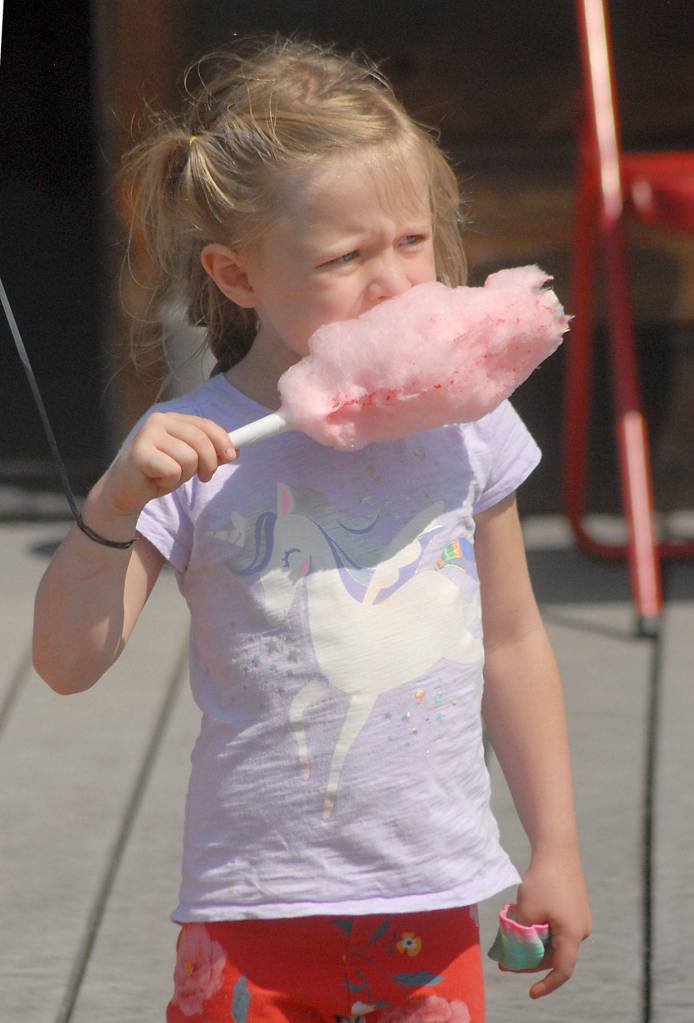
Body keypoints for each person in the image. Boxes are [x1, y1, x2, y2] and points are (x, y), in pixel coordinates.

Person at [33, 37, 591, 1023]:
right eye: (344, 256)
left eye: (411, 242)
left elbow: (509, 637)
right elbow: (68, 664)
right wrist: (112, 507)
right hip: (252, 906)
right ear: (236, 275)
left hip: (432, 895)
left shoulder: (466, 426)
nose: (392, 281)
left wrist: (553, 849)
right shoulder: (194, 451)